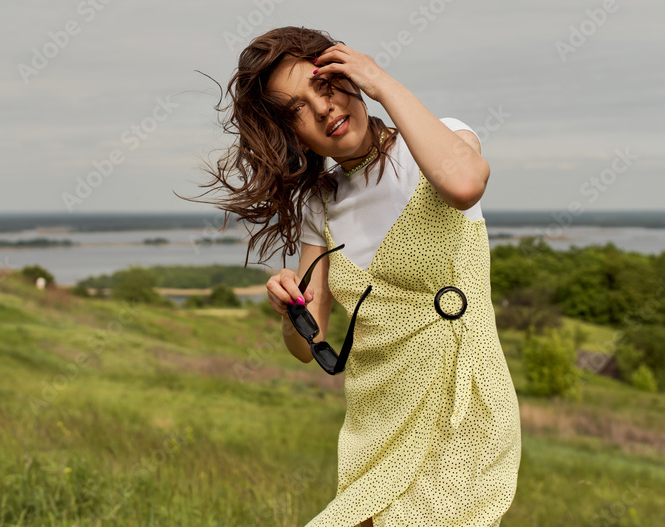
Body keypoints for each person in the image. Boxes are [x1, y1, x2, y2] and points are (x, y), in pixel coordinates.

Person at [190, 26, 521, 526]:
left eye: (324, 85)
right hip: (376, 419)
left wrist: (382, 81)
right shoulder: (320, 203)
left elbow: (465, 182)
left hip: (462, 409)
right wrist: (289, 311)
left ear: (351, 77)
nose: (322, 109)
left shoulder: (437, 140)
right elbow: (310, 344)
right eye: (297, 108)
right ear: (292, 133)